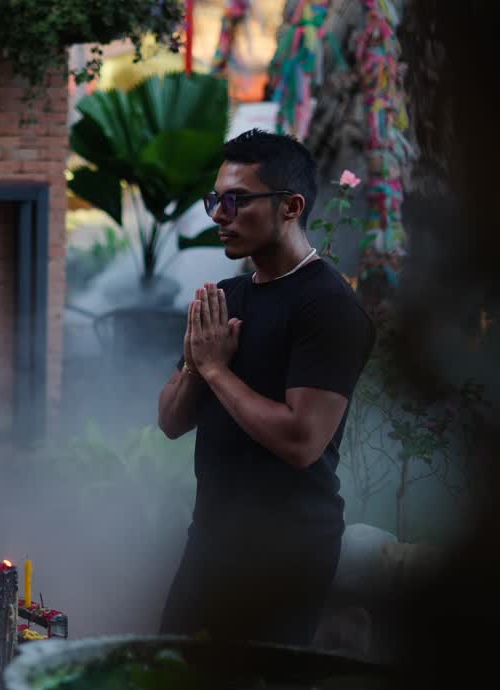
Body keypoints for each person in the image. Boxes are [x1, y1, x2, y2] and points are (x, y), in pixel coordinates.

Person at [156, 129, 375, 646]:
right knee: (166, 683)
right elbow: (170, 421)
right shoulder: (225, 298)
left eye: (236, 201)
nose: (218, 215)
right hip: (209, 539)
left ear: (291, 206)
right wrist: (195, 365)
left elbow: (302, 441)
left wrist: (215, 371)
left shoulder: (327, 306)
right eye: (216, 200)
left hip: (287, 554)